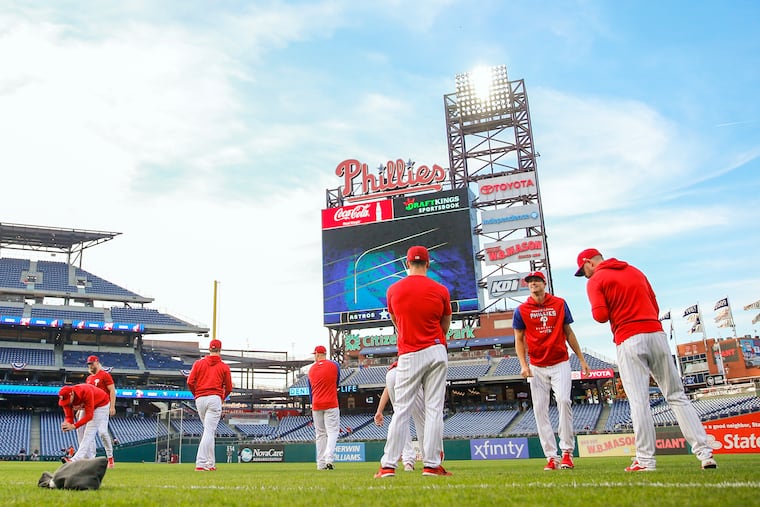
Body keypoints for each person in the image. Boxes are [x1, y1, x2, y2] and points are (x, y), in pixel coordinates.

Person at [575, 248, 718, 471]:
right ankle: (705, 453)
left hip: (629, 338)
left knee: (639, 401)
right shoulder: (635, 271)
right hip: (656, 333)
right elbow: (655, 305)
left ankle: (645, 460)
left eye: (583, 270)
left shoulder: (596, 279)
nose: (584, 275)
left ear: (588, 263)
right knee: (677, 395)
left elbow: (600, 316)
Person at [376, 245, 451, 478]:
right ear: (428, 264)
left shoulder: (393, 290)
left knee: (402, 411)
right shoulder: (441, 289)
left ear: (407, 263)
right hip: (436, 350)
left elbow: (396, 322)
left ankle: (388, 465)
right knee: (434, 410)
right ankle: (431, 464)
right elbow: (445, 324)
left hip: (409, 352)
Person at [513, 271, 590, 471]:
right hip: (537, 365)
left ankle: (566, 453)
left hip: (560, 361)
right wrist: (523, 364)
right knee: (540, 409)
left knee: (564, 400)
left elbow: (569, 333)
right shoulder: (521, 310)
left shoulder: (559, 303)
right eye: (529, 282)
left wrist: (581, 359)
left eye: (536, 281)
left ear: (544, 283)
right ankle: (551, 456)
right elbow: (519, 339)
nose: (533, 284)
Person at [187, 339, 233, 472]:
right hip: (214, 398)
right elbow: (229, 387)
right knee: (208, 431)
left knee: (209, 430)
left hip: (200, 399)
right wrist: (222, 398)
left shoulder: (198, 363)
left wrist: (196, 394)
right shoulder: (224, 367)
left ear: (209, 349)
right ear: (220, 350)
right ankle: (201, 463)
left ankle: (210, 463)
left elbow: (190, 381)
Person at [374, 360, 425, 472]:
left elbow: (387, 388)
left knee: (400, 417)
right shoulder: (422, 354)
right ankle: (429, 460)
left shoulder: (403, 356)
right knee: (421, 420)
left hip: (392, 373)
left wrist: (379, 411)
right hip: (411, 370)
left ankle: (408, 462)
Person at [58, 384, 111, 463]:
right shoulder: (66, 399)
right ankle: (89, 459)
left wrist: (74, 426)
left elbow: (89, 416)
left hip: (101, 405)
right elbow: (69, 416)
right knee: (80, 430)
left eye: (68, 400)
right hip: (87, 407)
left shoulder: (85, 391)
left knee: (89, 433)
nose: (66, 403)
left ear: (72, 394)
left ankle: (74, 460)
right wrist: (67, 424)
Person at [307, 345, 340, 470]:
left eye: (315, 354)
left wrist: (313, 403)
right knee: (332, 432)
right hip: (331, 403)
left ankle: (320, 464)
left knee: (320, 434)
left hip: (316, 404)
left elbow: (310, 390)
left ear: (318, 354)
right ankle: (329, 458)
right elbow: (337, 382)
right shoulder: (334, 365)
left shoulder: (311, 369)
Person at [80, 355, 116, 468]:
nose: (90, 366)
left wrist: (112, 406)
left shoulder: (105, 375)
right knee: (84, 430)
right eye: (89, 364)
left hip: (102, 407)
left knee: (102, 432)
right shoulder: (89, 378)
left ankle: (110, 457)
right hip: (90, 407)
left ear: (97, 362)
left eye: (92, 363)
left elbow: (112, 390)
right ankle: (90, 457)